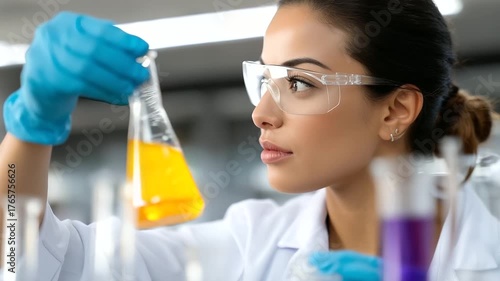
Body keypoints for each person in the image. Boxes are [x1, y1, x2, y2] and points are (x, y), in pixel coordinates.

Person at [0, 0, 499, 280]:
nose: (261, 114)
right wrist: (32, 125)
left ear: (395, 109)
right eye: (265, 81)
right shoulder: (245, 246)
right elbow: (28, 263)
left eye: (300, 83)